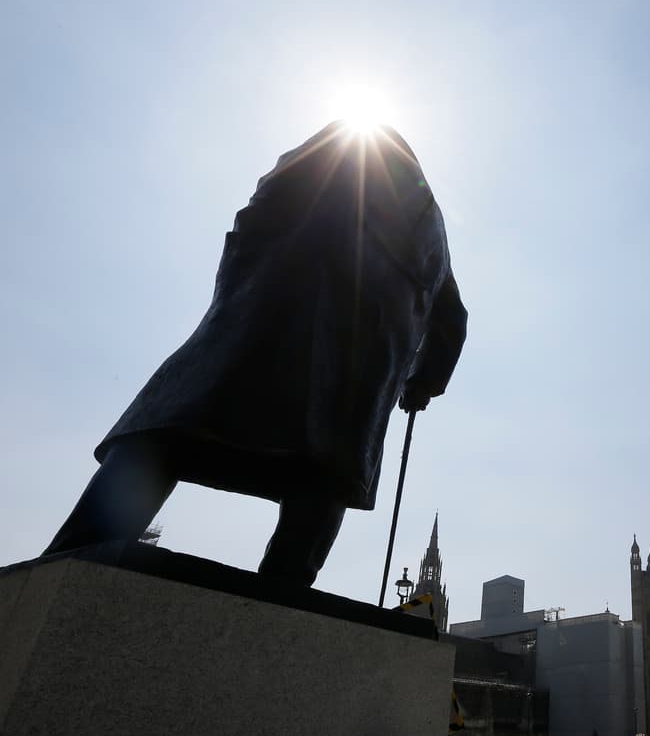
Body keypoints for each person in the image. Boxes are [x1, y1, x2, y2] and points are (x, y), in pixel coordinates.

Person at [43, 121, 468, 586]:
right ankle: (285, 588)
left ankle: (78, 552)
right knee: (323, 473)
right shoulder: (433, 225)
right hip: (353, 379)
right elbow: (453, 322)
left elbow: (257, 211)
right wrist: (420, 385)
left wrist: (236, 284)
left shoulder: (335, 148)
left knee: (169, 432)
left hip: (262, 322)